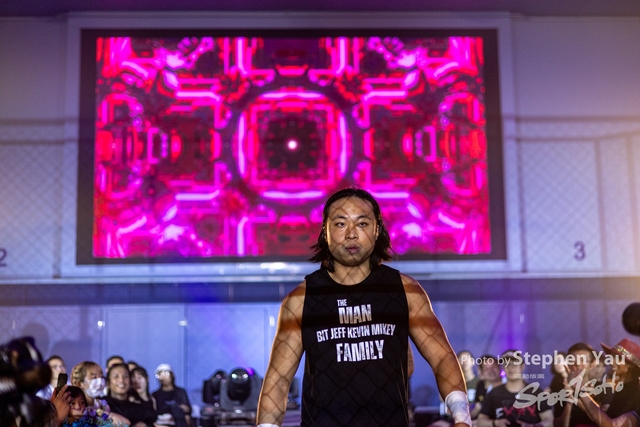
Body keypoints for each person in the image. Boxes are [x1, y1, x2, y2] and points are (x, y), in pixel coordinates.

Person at [256, 188, 471, 427]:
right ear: (325, 231)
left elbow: (442, 358)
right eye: (340, 224)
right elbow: (278, 381)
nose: (351, 234)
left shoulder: (406, 291)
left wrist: (462, 418)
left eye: (362, 224)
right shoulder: (301, 299)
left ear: (376, 230)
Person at [476, 350, 553, 427]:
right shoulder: (494, 394)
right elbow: (480, 421)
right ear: (503, 368)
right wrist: (495, 423)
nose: (510, 368)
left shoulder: (536, 392)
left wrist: (533, 426)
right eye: (506, 364)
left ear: (522, 366)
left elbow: (549, 420)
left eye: (514, 363)